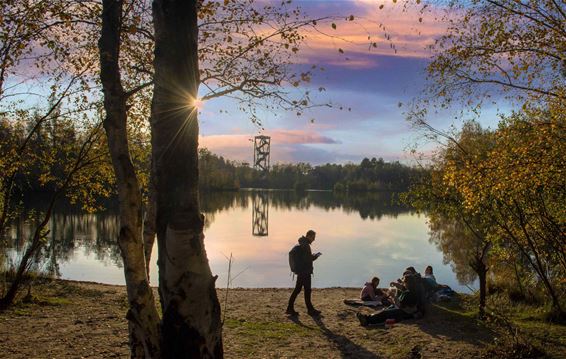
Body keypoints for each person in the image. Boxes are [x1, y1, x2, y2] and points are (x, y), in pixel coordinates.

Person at [357, 273, 426, 326]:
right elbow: (402, 287)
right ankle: (368, 318)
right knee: (385, 311)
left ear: (408, 283)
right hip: (404, 310)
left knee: (385, 313)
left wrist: (393, 296)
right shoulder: (411, 289)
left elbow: (399, 305)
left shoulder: (409, 294)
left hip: (405, 313)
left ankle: (367, 320)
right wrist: (394, 284)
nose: (403, 283)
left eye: (404, 282)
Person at [286, 230, 322, 316]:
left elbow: (305, 258)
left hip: (301, 271)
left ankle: (290, 308)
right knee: (306, 290)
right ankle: (309, 310)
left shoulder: (302, 243)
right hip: (305, 272)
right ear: (309, 236)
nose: (314, 239)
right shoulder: (305, 245)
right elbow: (307, 259)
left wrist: (312, 256)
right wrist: (315, 256)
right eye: (313, 237)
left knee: (299, 290)